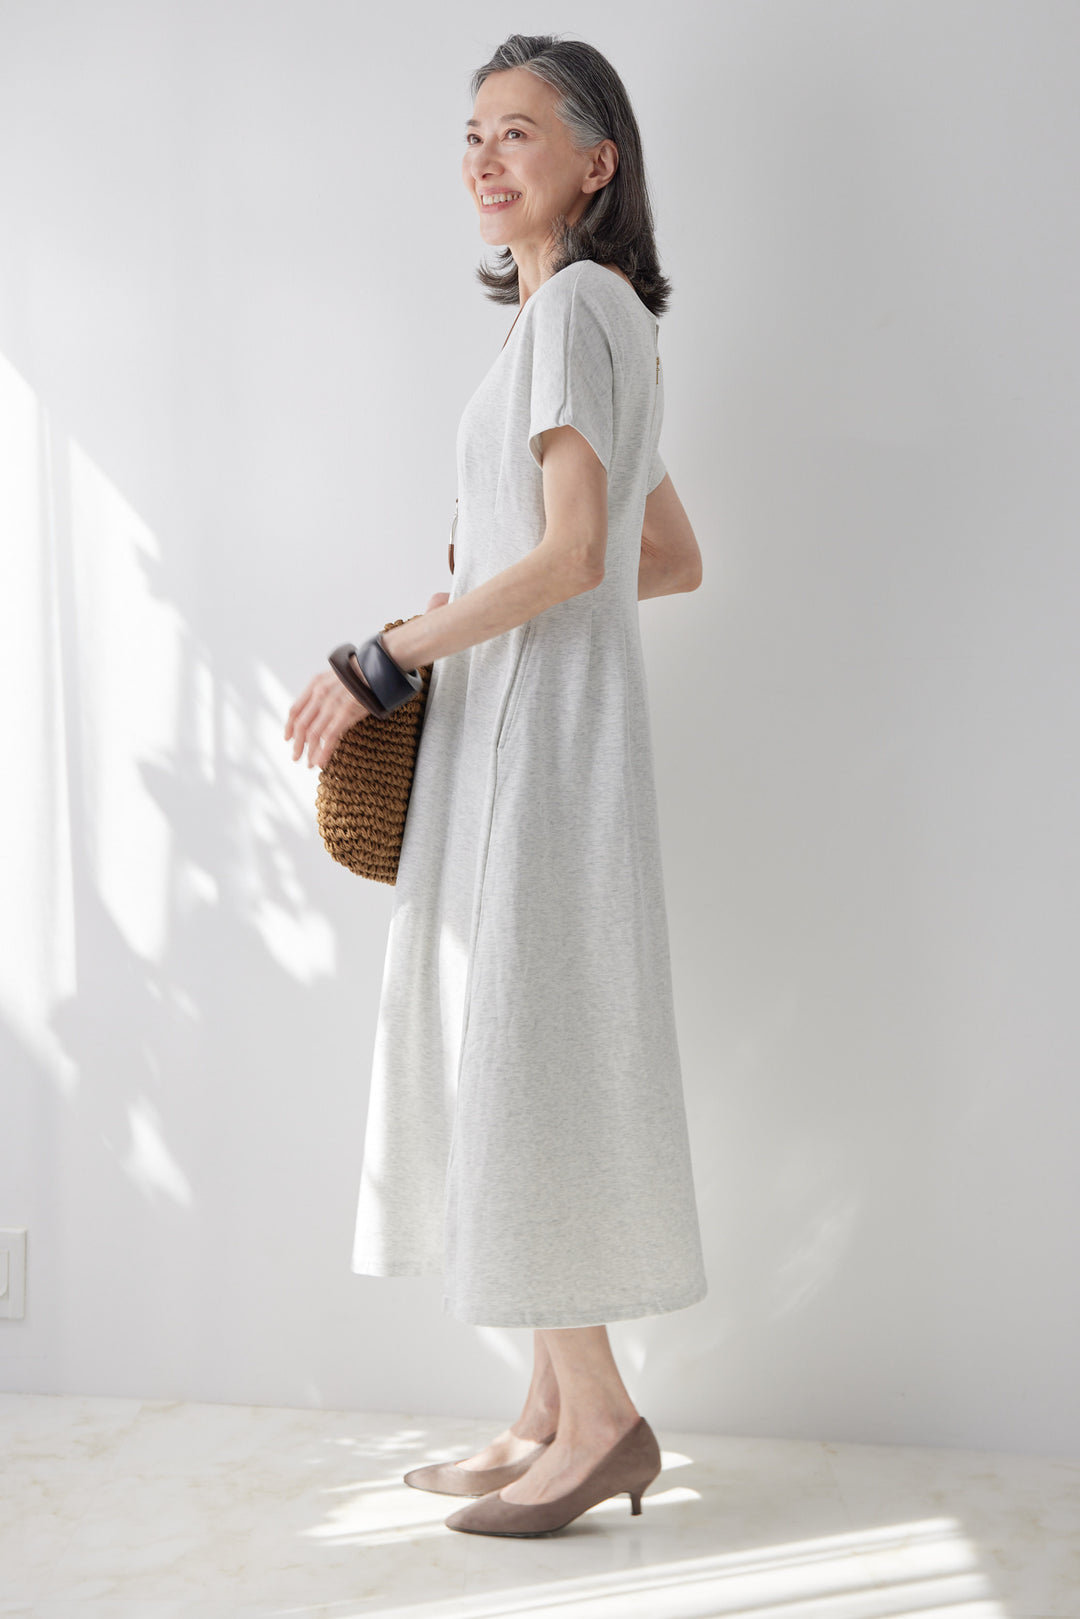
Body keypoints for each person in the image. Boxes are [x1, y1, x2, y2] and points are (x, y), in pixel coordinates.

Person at [284, 32, 707, 1537]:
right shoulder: (577, 320)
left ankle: (601, 1421)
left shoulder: (578, 307)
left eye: (519, 131)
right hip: (537, 733)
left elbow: (579, 555)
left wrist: (390, 651)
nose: (484, 156)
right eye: (473, 132)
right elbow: (666, 557)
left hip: (536, 749)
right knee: (514, 1052)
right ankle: (541, 1412)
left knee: (517, 1063)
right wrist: (496, 605)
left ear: (597, 162)